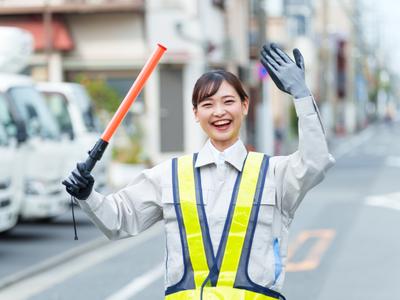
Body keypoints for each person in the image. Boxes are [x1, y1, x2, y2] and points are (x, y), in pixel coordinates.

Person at [63, 43, 335, 300]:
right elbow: (120, 220)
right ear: (195, 113)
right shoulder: (170, 175)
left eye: (228, 101)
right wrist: (88, 194)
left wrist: (302, 95)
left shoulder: (274, 174)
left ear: (244, 106)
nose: (219, 112)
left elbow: (316, 161)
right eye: (207, 104)